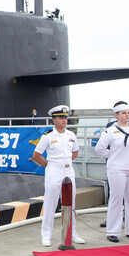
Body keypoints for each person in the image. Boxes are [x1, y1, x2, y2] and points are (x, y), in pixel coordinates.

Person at [32, 105, 85, 247]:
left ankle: (72, 233)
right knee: (50, 203)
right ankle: (46, 235)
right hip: (53, 171)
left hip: (68, 171)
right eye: (61, 118)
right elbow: (36, 155)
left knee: (71, 203)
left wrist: (66, 163)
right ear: (54, 119)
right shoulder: (47, 136)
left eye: (65, 117)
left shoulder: (71, 135)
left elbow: (75, 152)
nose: (64, 120)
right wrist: (48, 165)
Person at [94, 103, 129, 242]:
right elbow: (99, 149)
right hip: (117, 169)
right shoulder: (111, 131)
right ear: (116, 115)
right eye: (123, 113)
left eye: (128, 112)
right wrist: (113, 154)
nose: (127, 115)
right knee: (116, 199)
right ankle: (113, 231)